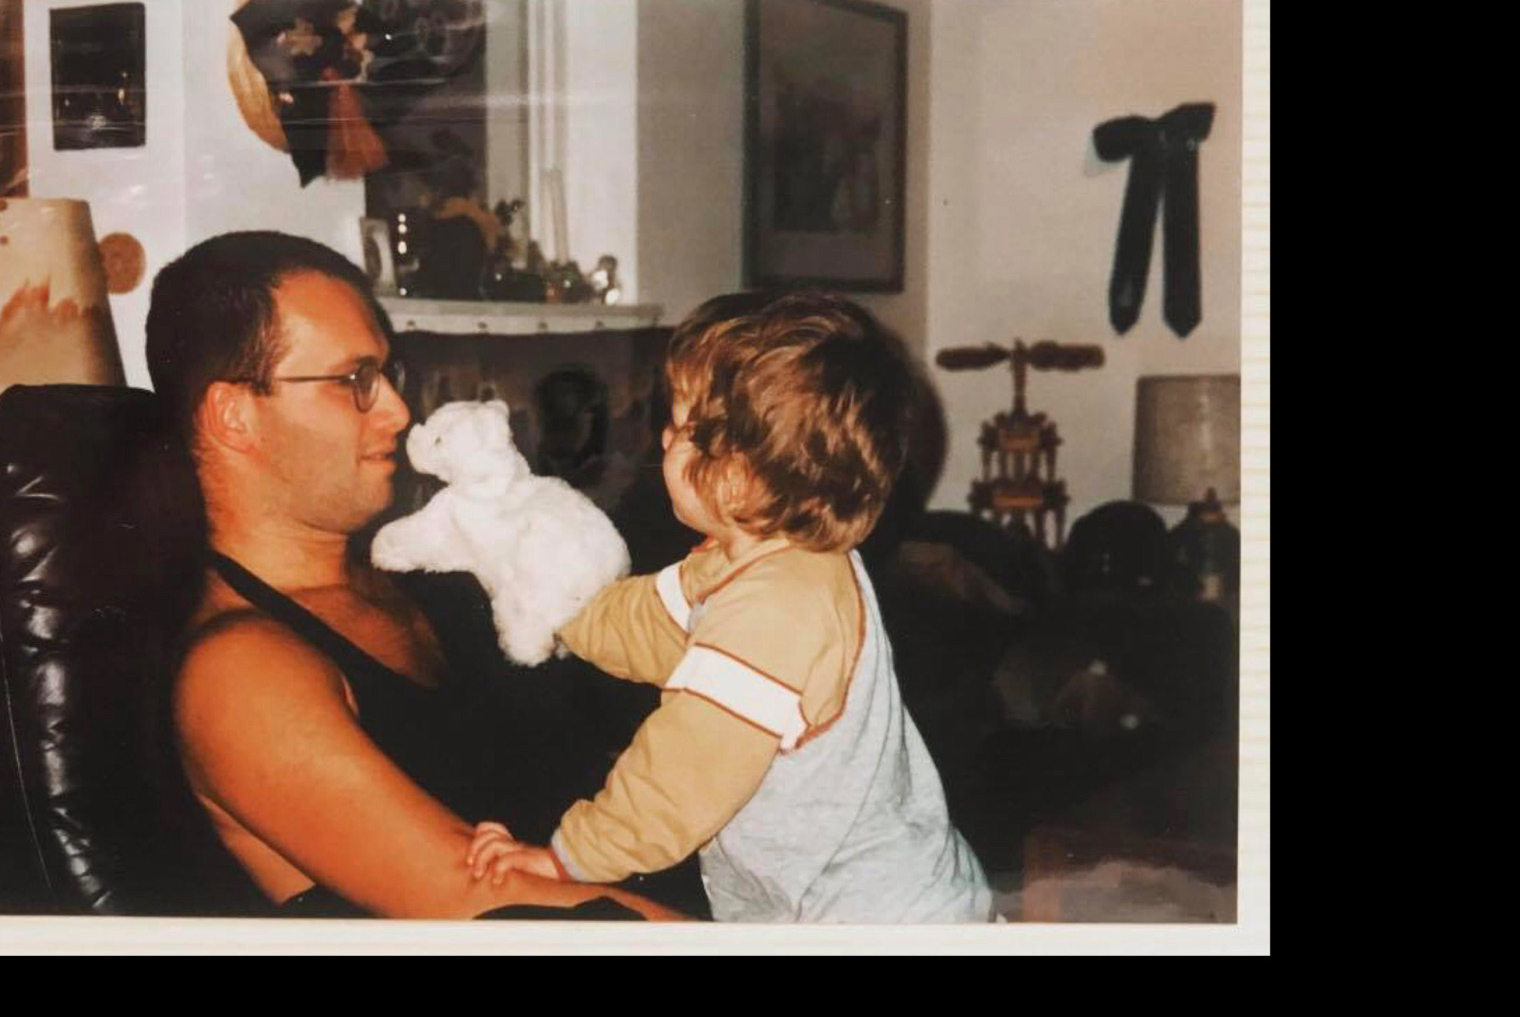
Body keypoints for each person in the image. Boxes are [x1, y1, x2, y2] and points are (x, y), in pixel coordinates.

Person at [145, 231, 683, 920]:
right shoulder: (241, 672)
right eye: (355, 381)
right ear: (234, 416)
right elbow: (481, 897)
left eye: (386, 374)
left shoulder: (425, 573)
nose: (398, 411)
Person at [466, 292, 994, 922]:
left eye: (680, 425)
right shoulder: (758, 558)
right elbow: (651, 623)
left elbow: (684, 772)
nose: (664, 437)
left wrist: (570, 858)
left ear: (737, 477)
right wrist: (558, 611)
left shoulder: (777, 607)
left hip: (870, 921)